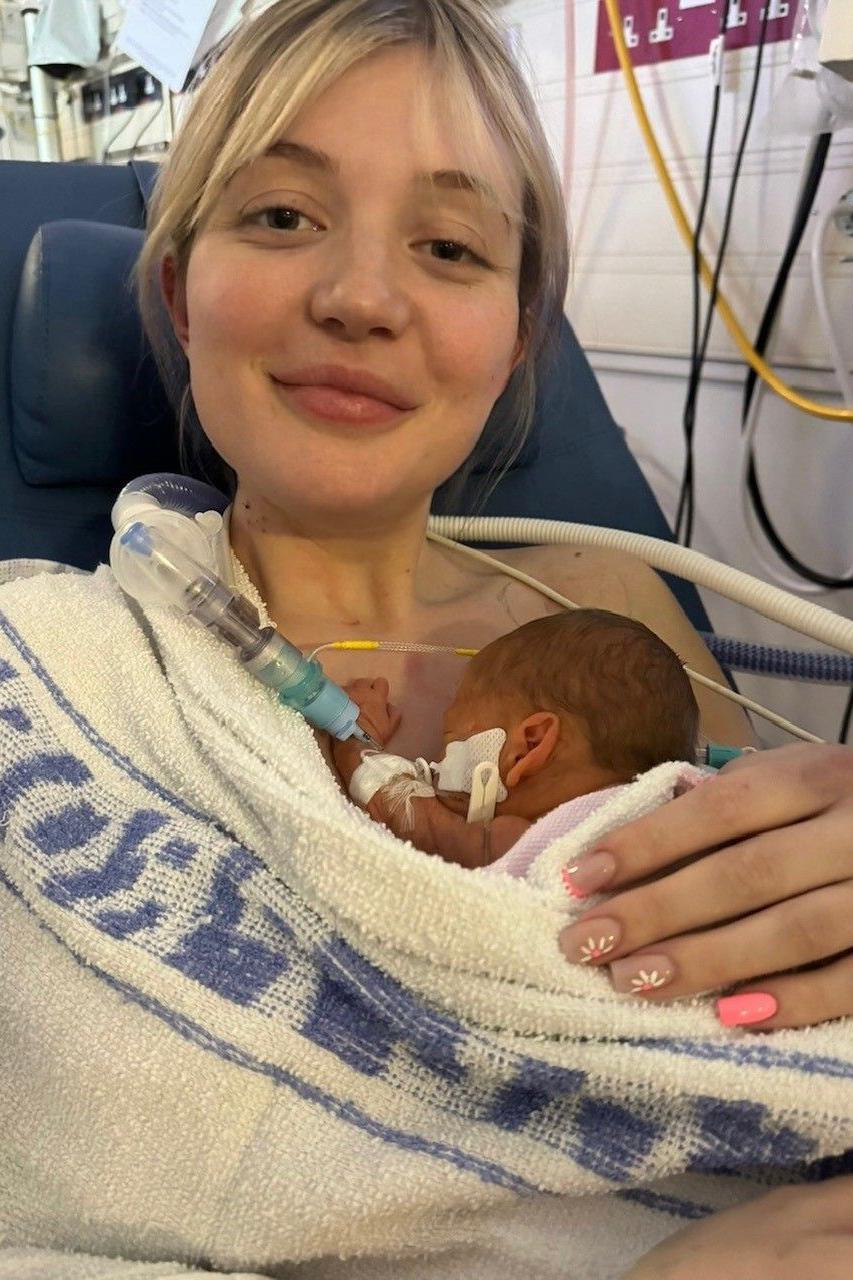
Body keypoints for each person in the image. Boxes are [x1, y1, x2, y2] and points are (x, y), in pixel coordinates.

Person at [0, 3, 851, 1278]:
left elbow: (766, 993)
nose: (358, 297)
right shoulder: (46, 664)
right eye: (281, 216)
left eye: (449, 245)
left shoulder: (610, 602)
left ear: (515, 337)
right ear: (181, 292)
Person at [331, 608, 700, 868]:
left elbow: (404, 812)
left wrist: (354, 734)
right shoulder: (680, 822)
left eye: (450, 743)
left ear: (529, 745)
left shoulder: (531, 842)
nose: (435, 768)